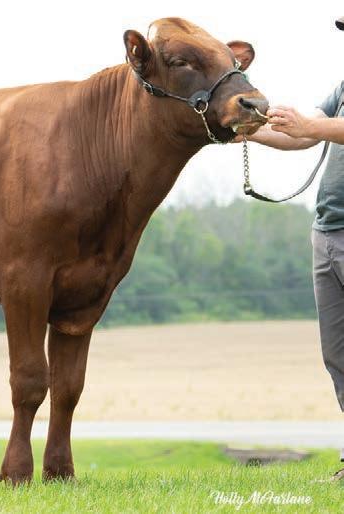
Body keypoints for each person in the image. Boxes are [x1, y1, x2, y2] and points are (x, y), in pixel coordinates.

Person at [245, 16, 344, 478]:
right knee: (337, 355)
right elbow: (303, 135)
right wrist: (243, 129)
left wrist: (310, 125)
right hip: (326, 235)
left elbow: (317, 128)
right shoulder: (343, 87)